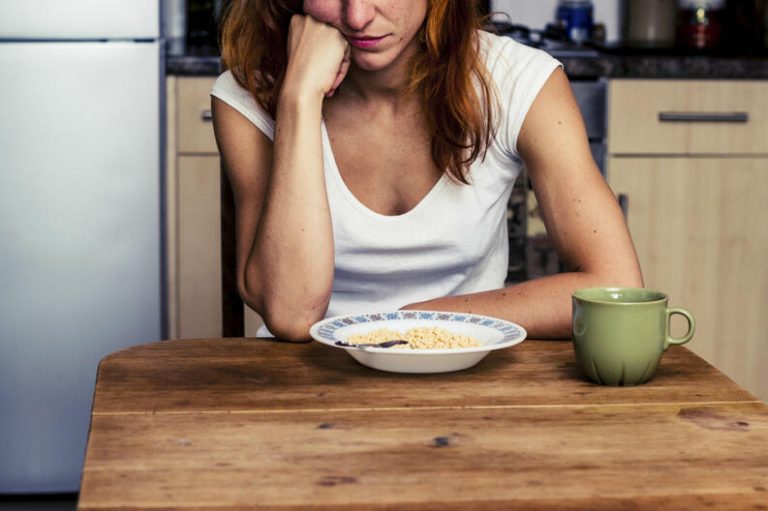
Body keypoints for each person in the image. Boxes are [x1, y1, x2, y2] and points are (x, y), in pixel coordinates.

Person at [210, 0, 643, 342]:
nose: (357, 16)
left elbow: (615, 284)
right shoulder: (247, 95)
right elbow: (290, 315)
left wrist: (409, 326)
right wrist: (299, 97)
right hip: (300, 383)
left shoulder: (519, 80)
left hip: (463, 367)